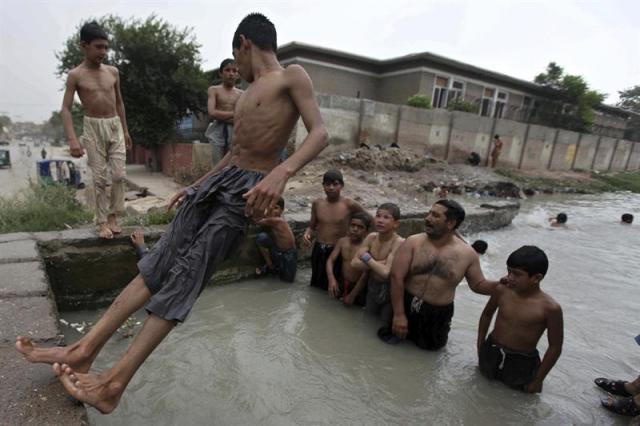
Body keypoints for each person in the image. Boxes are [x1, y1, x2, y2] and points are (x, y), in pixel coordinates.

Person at [15, 13, 328, 414]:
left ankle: (113, 384)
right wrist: (197, 184)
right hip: (220, 184)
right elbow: (235, 153)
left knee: (184, 278)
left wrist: (283, 173)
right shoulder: (248, 94)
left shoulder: (292, 76)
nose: (237, 68)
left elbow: (320, 132)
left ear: (245, 44)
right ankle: (83, 349)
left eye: (237, 57)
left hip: (245, 197)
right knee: (156, 267)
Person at [388, 199, 498, 350]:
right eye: (429, 213)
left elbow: (478, 285)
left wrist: (503, 285)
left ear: (450, 223)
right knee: (391, 345)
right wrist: (399, 314)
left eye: (435, 215)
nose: (427, 218)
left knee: (428, 356)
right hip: (405, 303)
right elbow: (396, 277)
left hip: (437, 315)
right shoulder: (413, 242)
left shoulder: (467, 254)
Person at [60, 21, 133, 239]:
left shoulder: (113, 72)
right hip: (92, 127)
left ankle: (114, 215)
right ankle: (102, 221)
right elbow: (65, 108)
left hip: (114, 125)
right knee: (100, 178)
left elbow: (120, 103)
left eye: (106, 47)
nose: (103, 51)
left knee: (119, 175)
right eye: (98, 46)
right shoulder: (76, 75)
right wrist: (73, 140)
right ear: (84, 45)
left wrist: (126, 130)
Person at [477, 246, 563, 393]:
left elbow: (555, 347)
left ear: (537, 278)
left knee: (515, 400)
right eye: (508, 271)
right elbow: (486, 315)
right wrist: (480, 345)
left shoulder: (550, 309)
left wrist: (538, 380)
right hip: (492, 351)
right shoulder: (502, 291)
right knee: (481, 389)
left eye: (517, 274)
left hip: (522, 362)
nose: (510, 277)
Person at [303, 170, 367, 290]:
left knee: (336, 285)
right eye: (327, 184)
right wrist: (307, 234)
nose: (331, 188)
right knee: (316, 283)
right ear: (323, 186)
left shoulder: (349, 204)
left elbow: (368, 219)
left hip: (337, 249)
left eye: (335, 184)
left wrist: (366, 241)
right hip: (319, 247)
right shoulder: (317, 204)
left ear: (341, 186)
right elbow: (312, 226)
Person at [348, 203, 404, 325]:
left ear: (396, 224)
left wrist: (367, 258)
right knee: (367, 321)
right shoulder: (371, 237)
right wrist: (380, 263)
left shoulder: (398, 242)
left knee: (383, 324)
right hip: (372, 285)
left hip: (390, 290)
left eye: (386, 217)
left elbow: (385, 273)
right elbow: (354, 263)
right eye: (378, 216)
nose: (380, 220)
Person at [326, 212, 371, 305]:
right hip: (341, 282)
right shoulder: (342, 242)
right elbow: (330, 260)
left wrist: (353, 294)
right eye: (353, 225)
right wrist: (331, 279)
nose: (355, 229)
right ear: (348, 226)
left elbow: (365, 274)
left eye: (360, 227)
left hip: (358, 287)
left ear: (366, 232)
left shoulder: (366, 248)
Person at [205, 59, 243, 166]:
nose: (231, 74)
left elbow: (242, 116)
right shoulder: (214, 90)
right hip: (217, 131)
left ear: (237, 74)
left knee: (232, 164)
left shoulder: (241, 94)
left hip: (235, 131)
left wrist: (223, 115)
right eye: (227, 70)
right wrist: (234, 115)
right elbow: (212, 112)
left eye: (234, 71)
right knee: (217, 165)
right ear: (221, 73)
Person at [255, 197, 297, 282]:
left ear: (282, 210)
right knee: (262, 238)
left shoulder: (278, 220)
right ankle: (269, 265)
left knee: (288, 280)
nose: (272, 210)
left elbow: (257, 221)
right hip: (278, 250)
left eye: (276, 208)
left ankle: (269, 267)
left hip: (289, 254)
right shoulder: (272, 218)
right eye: (270, 207)